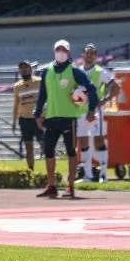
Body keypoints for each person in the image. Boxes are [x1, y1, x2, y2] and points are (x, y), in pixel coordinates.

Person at [33, 40, 98, 199]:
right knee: (48, 150)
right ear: (54, 51)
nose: (60, 52)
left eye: (63, 49)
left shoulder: (74, 70)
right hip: (52, 117)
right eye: (58, 49)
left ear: (68, 52)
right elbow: (43, 94)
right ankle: (51, 185)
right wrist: (38, 113)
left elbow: (91, 88)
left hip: (69, 118)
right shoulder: (47, 71)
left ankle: (70, 185)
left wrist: (91, 109)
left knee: (70, 151)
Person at [78, 44, 118, 182]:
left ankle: (103, 175)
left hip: (95, 111)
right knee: (83, 141)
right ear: (83, 54)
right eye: (87, 53)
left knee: (98, 139)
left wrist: (103, 101)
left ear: (96, 56)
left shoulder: (100, 71)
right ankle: (87, 175)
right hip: (80, 111)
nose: (89, 55)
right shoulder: (77, 72)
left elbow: (116, 87)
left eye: (92, 53)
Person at [12, 60, 42, 171]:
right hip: (24, 119)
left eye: (26, 67)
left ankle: (51, 171)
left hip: (38, 118)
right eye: (21, 68)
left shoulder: (39, 81)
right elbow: (16, 105)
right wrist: (14, 122)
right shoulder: (17, 86)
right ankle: (31, 170)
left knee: (43, 143)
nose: (24, 70)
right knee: (28, 146)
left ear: (30, 69)